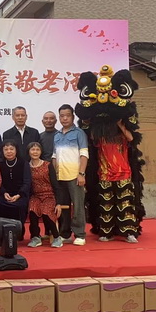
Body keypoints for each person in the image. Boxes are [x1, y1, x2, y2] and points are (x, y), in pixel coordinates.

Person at [92, 120, 140, 243]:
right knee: (106, 205)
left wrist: (120, 124)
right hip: (105, 174)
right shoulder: (100, 137)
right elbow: (92, 136)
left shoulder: (122, 136)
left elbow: (131, 138)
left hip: (123, 173)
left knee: (126, 205)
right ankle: (107, 232)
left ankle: (129, 233)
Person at [53, 104, 89, 246]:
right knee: (63, 207)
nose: (65, 118)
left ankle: (80, 234)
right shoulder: (57, 135)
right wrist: (55, 174)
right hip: (60, 176)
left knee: (78, 206)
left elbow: (84, 154)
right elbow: (54, 156)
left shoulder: (79, 133)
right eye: (62, 116)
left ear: (73, 117)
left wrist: (81, 174)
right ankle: (65, 233)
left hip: (75, 176)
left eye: (67, 115)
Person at [26, 142, 63, 248]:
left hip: (49, 195)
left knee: (46, 211)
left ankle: (56, 237)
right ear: (28, 152)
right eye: (33, 150)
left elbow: (55, 184)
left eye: (37, 150)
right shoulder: (26, 166)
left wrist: (59, 203)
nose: (35, 152)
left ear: (41, 152)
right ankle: (35, 237)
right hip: (36, 195)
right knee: (32, 209)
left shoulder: (48, 165)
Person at [0, 140, 31, 237]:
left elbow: (27, 182)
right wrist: (4, 193)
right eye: (6, 149)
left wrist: (19, 195)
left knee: (20, 206)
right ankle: (2, 233)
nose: (9, 151)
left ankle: (18, 232)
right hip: (5, 194)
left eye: (11, 149)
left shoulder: (24, 163)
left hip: (20, 194)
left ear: (16, 150)